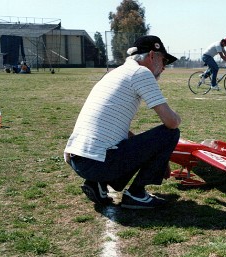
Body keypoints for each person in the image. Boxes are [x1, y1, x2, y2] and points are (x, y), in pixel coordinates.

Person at [64, 35, 181, 209]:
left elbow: (115, 129)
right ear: (151, 55)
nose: (164, 67)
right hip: (98, 163)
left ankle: (99, 184)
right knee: (170, 133)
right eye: (163, 60)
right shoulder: (141, 72)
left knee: (134, 142)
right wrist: (176, 122)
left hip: (79, 160)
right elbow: (171, 122)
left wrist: (158, 157)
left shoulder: (114, 73)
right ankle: (137, 193)